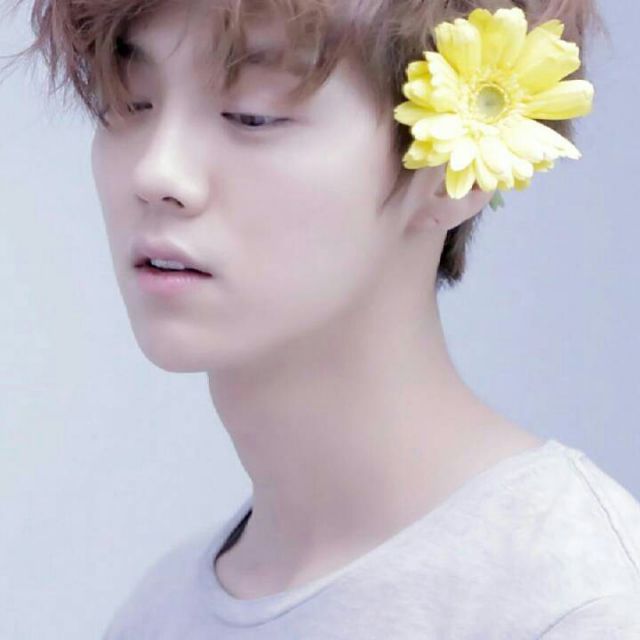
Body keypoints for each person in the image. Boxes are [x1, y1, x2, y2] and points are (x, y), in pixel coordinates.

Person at [6, 0, 639, 637]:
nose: (156, 171)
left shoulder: (578, 603)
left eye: (252, 114)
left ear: (455, 169)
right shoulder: (160, 612)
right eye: (128, 102)